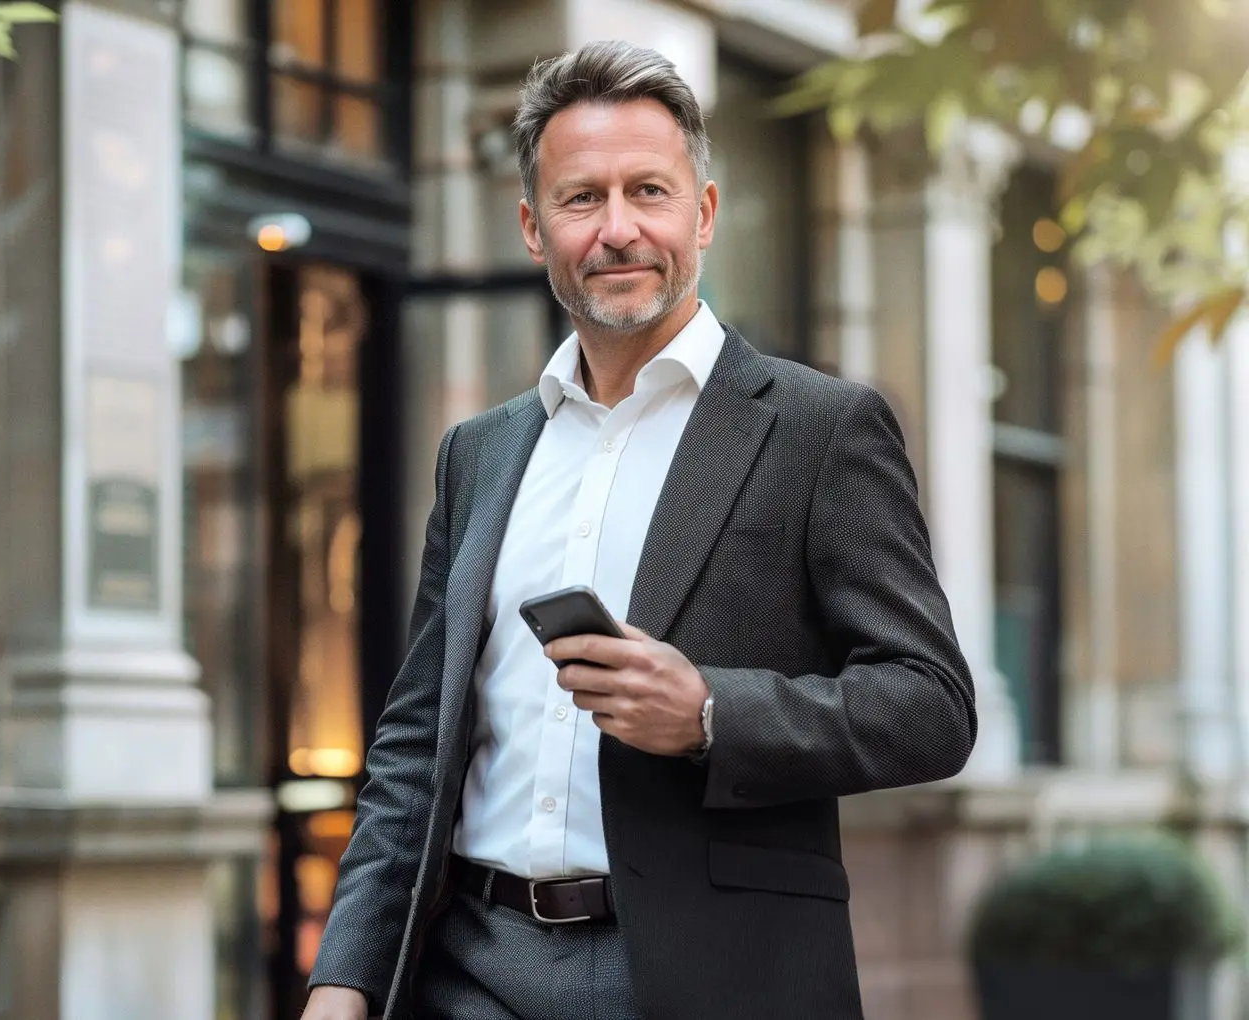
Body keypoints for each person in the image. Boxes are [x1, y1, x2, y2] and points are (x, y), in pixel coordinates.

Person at [301, 39, 976, 1020]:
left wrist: (709, 713)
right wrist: (344, 978)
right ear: (534, 229)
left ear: (701, 213)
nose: (616, 229)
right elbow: (417, 742)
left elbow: (931, 706)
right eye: (581, 200)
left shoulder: (819, 430)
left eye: (647, 192)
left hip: (702, 977)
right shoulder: (479, 452)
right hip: (467, 969)